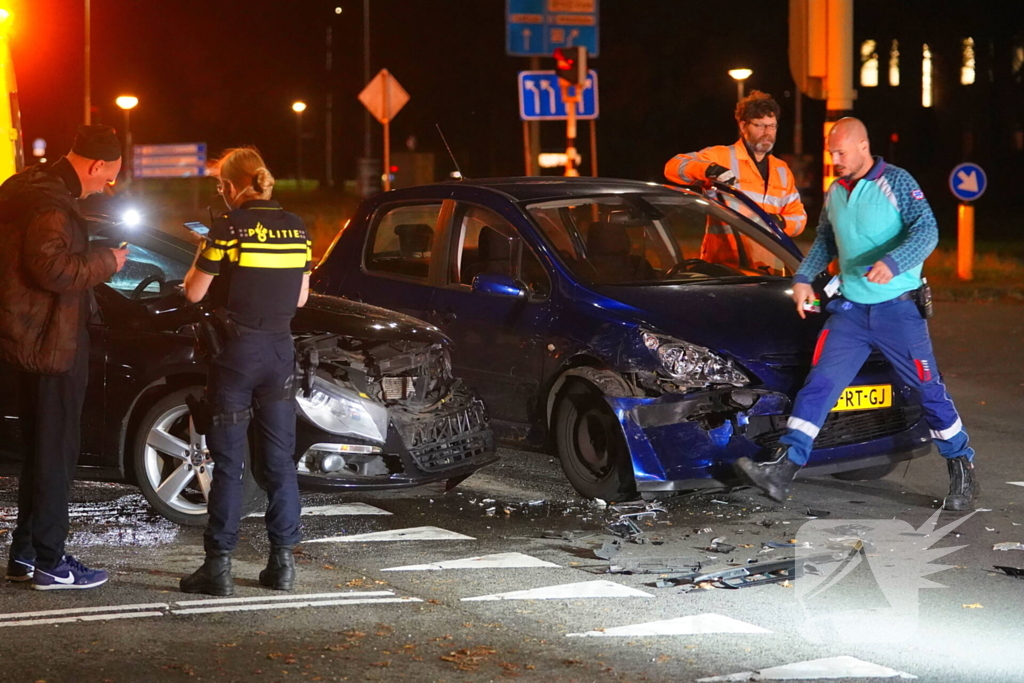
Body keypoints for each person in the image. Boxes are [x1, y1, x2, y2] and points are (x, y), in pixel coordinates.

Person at [735, 117, 978, 511]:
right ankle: (783, 469)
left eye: (840, 153)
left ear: (863, 147)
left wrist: (894, 262)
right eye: (831, 153)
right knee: (819, 385)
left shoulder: (897, 182)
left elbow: (927, 231)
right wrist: (801, 278)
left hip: (897, 312)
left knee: (927, 389)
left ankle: (961, 463)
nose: (834, 160)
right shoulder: (835, 192)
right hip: (849, 312)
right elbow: (825, 242)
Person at [0, 125, 129, 590]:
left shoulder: (25, 187)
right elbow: (51, 268)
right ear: (96, 166)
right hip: (53, 344)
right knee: (56, 454)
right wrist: (107, 261)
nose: (106, 185)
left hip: (25, 340)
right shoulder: (52, 205)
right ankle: (51, 562)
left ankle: (26, 554)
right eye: (108, 176)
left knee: (40, 451)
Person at [180, 147, 311, 596]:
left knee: (230, 465)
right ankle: (283, 565)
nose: (220, 192)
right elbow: (300, 300)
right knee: (280, 464)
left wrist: (204, 252)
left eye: (221, 185)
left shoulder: (227, 228)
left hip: (236, 355)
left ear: (232, 186)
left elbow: (194, 293)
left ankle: (217, 568)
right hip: (279, 353)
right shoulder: (297, 227)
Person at [664, 90, 807, 240]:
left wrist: (779, 222)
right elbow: (673, 167)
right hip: (724, 260)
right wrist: (709, 169)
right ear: (743, 126)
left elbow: (799, 218)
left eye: (772, 126)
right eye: (760, 126)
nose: (767, 133)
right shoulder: (721, 156)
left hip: (769, 261)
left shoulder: (782, 170)